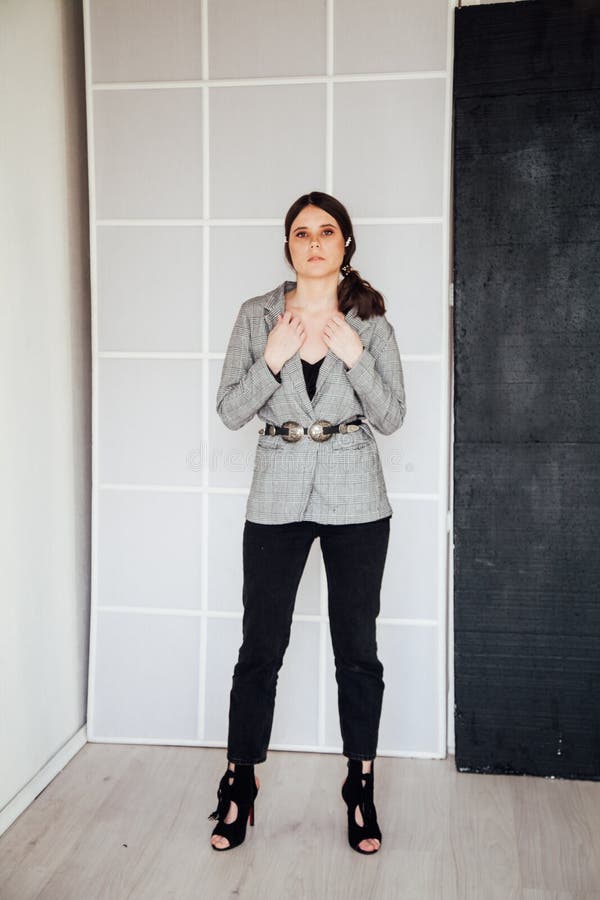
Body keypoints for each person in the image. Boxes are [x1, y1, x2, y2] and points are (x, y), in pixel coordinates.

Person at [209, 191, 406, 854]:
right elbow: (232, 411)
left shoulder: (370, 322)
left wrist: (354, 353)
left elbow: (392, 416)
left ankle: (360, 783)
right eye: (302, 232)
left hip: (357, 496)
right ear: (288, 245)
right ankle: (240, 782)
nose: (315, 241)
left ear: (346, 244)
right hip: (277, 492)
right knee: (259, 647)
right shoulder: (257, 314)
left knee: (357, 650)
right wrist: (270, 357)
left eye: (327, 231)